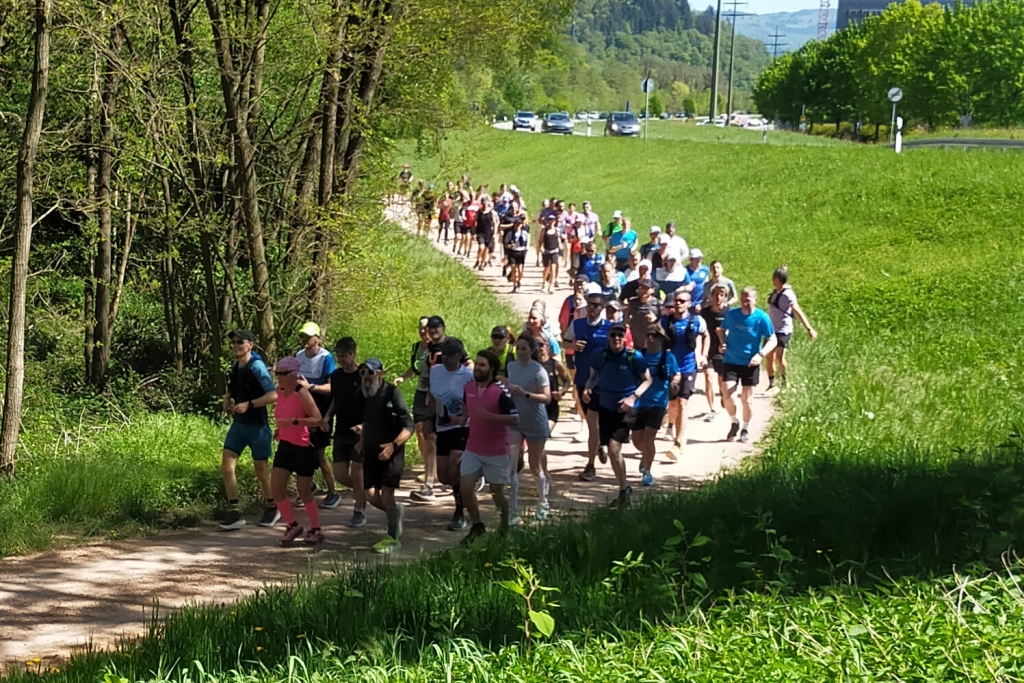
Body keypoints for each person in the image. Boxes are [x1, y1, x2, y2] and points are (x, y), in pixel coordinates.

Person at [583, 321, 652, 508]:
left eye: (620, 335)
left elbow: (647, 380)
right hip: (606, 406)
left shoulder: (634, 357)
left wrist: (632, 397)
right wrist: (587, 389)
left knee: (614, 448)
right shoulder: (600, 355)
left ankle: (623, 490)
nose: (616, 339)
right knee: (610, 449)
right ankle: (623, 488)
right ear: (608, 337)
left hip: (626, 409)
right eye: (613, 335)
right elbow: (593, 377)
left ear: (625, 337)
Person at [219, 330, 279, 531]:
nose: (236, 345)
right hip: (239, 425)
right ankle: (235, 512)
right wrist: (227, 399)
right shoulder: (235, 367)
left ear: (250, 345)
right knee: (227, 466)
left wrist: (249, 405)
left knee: (261, 470)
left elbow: (273, 395)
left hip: (257, 426)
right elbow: (233, 390)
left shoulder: (257, 367)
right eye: (234, 342)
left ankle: (273, 506)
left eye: (240, 342)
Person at [353, 359, 413, 554]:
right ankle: (395, 512)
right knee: (370, 495)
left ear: (380, 374)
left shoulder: (392, 393)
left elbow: (409, 425)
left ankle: (393, 537)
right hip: (371, 450)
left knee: (387, 493)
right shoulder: (362, 394)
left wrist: (393, 444)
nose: (366, 378)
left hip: (392, 450)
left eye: (370, 373)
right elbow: (367, 420)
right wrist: (363, 437)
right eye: (362, 374)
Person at [460, 350, 520, 544]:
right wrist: (458, 419)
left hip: (496, 451)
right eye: (476, 364)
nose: (477, 368)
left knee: (496, 491)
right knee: (465, 488)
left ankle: (505, 526)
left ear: (491, 368)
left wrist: (491, 417)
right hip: (473, 448)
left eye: (482, 365)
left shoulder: (501, 391)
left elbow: (515, 418)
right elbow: (466, 410)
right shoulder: (468, 387)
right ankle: (477, 526)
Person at [269, 356, 324, 545]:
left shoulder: (302, 393)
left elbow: (317, 419)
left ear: (293, 374)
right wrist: (279, 429)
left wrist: (295, 421)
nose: (279, 377)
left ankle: (315, 529)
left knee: (304, 492)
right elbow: (281, 415)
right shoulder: (279, 392)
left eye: (283, 373)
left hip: (303, 447)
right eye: (277, 373)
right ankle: (292, 525)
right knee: (276, 489)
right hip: (285, 445)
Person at [563, 290, 613, 481]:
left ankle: (590, 465)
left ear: (602, 308)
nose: (592, 308)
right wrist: (572, 347)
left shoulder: (610, 328)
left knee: (594, 422)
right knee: (591, 421)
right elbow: (563, 343)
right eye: (590, 304)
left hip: (604, 383)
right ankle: (600, 444)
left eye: (596, 305)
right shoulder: (577, 325)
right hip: (582, 379)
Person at [718, 286, 777, 443]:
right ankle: (734, 422)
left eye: (748, 299)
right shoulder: (731, 315)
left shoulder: (761, 318)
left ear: (755, 300)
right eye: (743, 298)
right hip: (731, 360)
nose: (745, 302)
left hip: (751, 364)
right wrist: (722, 343)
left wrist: (760, 355)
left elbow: (773, 339)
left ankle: (745, 428)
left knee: (747, 400)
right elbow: (721, 330)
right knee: (728, 395)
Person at [427, 338, 474, 531]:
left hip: (463, 427)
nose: (445, 359)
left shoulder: (467, 375)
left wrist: (464, 416)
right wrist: (428, 422)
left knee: (455, 468)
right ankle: (467, 485)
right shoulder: (435, 372)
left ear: (458, 356)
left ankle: (460, 510)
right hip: (442, 426)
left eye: (449, 355)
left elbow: (472, 401)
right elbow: (431, 398)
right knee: (444, 475)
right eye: (443, 355)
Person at [294, 322, 341, 509]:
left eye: (307, 336)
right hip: (303, 408)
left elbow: (333, 387)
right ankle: (310, 486)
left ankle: (333, 492)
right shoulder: (299, 356)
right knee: (301, 449)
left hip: (322, 410)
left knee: (320, 453)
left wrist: (311, 387)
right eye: (302, 336)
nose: (304, 339)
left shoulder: (326, 358)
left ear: (317, 338)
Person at [321, 337, 367, 527]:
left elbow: (374, 402)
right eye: (338, 356)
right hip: (341, 430)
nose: (341, 359)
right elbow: (336, 400)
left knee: (357, 472)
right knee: (340, 474)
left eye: (344, 355)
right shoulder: (337, 376)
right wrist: (327, 416)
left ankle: (359, 509)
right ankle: (364, 492)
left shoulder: (365, 374)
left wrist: (365, 426)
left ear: (353, 353)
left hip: (361, 431)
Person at [506, 335, 553, 521]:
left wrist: (525, 394)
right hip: (516, 421)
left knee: (535, 466)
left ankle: (543, 502)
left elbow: (547, 398)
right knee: (511, 465)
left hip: (536, 421)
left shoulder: (538, 370)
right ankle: (513, 509)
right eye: (518, 348)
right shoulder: (511, 367)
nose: (520, 352)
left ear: (531, 350)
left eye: (524, 348)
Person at [631, 324, 680, 487]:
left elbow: (677, 373)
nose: (650, 338)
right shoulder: (639, 356)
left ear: (660, 339)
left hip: (658, 402)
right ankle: (646, 457)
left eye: (654, 335)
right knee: (637, 440)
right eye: (648, 335)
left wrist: (674, 382)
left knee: (649, 436)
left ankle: (647, 472)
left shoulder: (668, 357)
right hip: (639, 403)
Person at [395, 317, 437, 502]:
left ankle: (435, 471)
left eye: (427, 328)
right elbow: (414, 369)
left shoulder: (439, 348)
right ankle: (430, 468)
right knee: (420, 431)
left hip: (436, 394)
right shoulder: (416, 348)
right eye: (421, 328)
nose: (423, 332)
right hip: (421, 393)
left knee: (433, 435)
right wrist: (403, 377)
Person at [663, 290, 709, 458]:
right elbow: (654, 337)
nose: (678, 303)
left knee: (683, 403)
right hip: (671, 368)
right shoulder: (666, 321)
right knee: (673, 404)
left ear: (689, 303)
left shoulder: (697, 320)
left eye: (682, 301)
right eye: (676, 300)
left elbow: (706, 335)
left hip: (689, 367)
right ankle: (676, 435)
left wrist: (703, 355)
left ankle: (678, 441)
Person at [765, 267, 818, 392]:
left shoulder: (788, 295)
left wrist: (809, 328)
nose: (772, 280)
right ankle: (772, 383)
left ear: (777, 280)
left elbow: (798, 311)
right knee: (768, 356)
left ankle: (784, 382)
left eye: (774, 278)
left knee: (779, 357)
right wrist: (783, 270)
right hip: (771, 329)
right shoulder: (777, 290)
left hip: (783, 329)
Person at [699, 284, 731, 423]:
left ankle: (724, 396)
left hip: (722, 351)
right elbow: (699, 332)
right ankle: (712, 409)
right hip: (708, 351)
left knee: (721, 381)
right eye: (716, 294)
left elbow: (732, 332)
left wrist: (725, 341)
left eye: (721, 295)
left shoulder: (729, 313)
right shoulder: (704, 313)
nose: (718, 297)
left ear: (725, 297)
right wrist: (700, 352)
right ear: (711, 296)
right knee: (708, 378)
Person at [536, 336, 571, 435]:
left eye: (540, 345)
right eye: (534, 345)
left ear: (547, 346)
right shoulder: (531, 365)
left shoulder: (555, 364)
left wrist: (561, 392)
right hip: (535, 407)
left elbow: (567, 381)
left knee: (543, 434)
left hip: (551, 406)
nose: (537, 348)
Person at [626, 277, 663, 352]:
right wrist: (627, 323)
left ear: (652, 290)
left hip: (652, 343)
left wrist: (655, 320)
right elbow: (626, 315)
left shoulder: (657, 304)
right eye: (641, 287)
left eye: (646, 288)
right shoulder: (633, 303)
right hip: (636, 344)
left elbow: (663, 322)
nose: (643, 290)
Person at [474, 196, 499, 271]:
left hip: (489, 233)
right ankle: (478, 260)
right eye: (483, 203)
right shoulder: (478, 212)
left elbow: (495, 223)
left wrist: (495, 233)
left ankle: (481, 264)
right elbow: (474, 222)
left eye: (486, 203)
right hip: (480, 233)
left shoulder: (491, 212)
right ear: (481, 203)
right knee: (481, 247)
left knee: (486, 250)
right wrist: (473, 233)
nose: (485, 205)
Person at [506, 217, 530, 292]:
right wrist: (509, 246)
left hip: (520, 252)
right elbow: (506, 243)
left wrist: (526, 250)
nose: (518, 225)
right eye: (517, 224)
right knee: (513, 269)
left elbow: (527, 243)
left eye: (520, 224)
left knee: (520, 270)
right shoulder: (510, 233)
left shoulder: (524, 233)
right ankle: (514, 285)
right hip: (512, 252)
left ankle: (518, 281)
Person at [540, 216, 561, 294]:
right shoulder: (544, 231)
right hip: (546, 251)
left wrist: (560, 249)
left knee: (553, 268)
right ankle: (544, 282)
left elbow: (558, 240)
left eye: (552, 220)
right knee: (546, 269)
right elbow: (541, 240)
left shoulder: (556, 230)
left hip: (555, 251)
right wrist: (541, 248)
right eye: (549, 220)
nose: (551, 222)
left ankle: (551, 285)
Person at [686, 249, 710, 313]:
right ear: (691, 259)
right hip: (690, 302)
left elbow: (707, 282)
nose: (698, 260)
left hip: (702, 301)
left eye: (699, 258)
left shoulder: (705, 269)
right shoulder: (685, 271)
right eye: (696, 258)